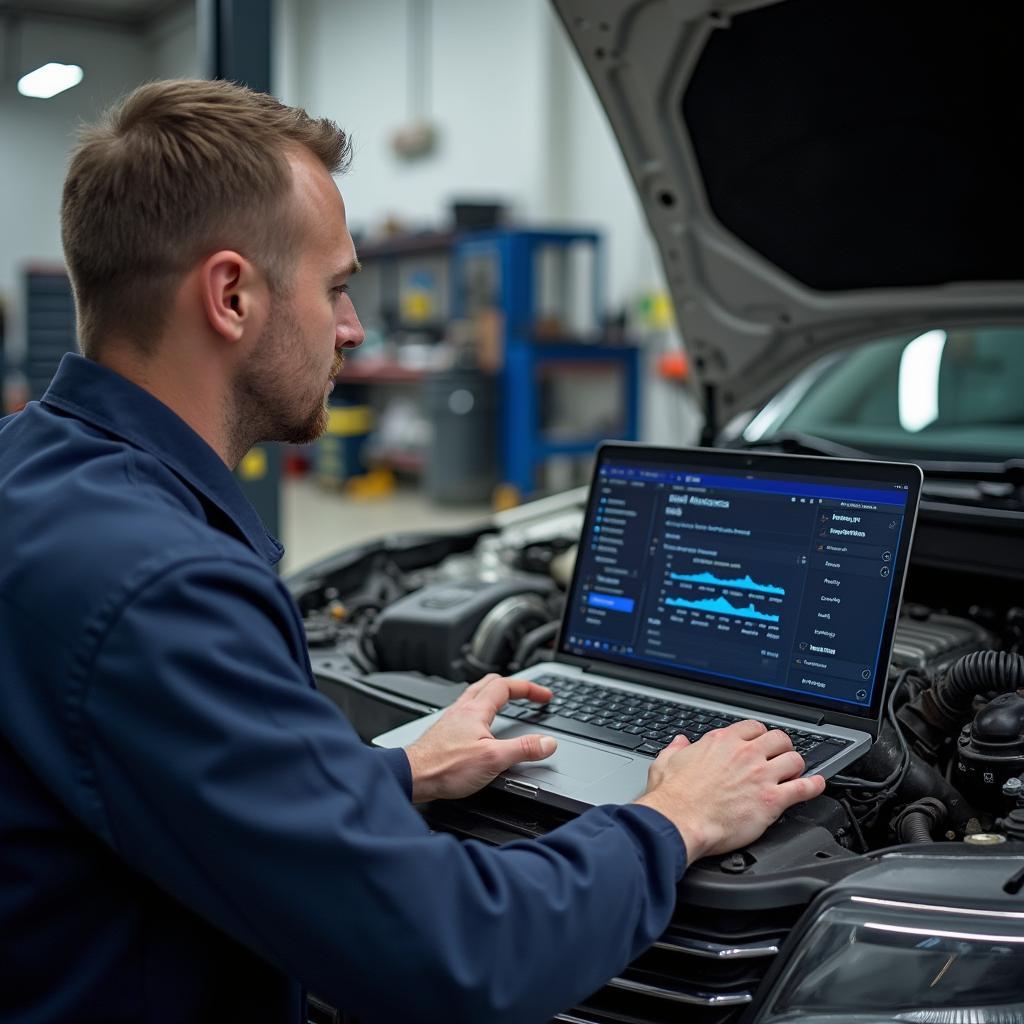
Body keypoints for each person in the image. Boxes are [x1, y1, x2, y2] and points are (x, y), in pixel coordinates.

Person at [0, 79, 824, 1024]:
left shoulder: (29, 470)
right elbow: (453, 955)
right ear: (230, 295)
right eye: (338, 287)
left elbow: (162, 781)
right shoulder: (162, 587)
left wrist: (399, 773)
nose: (352, 328)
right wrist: (673, 819)